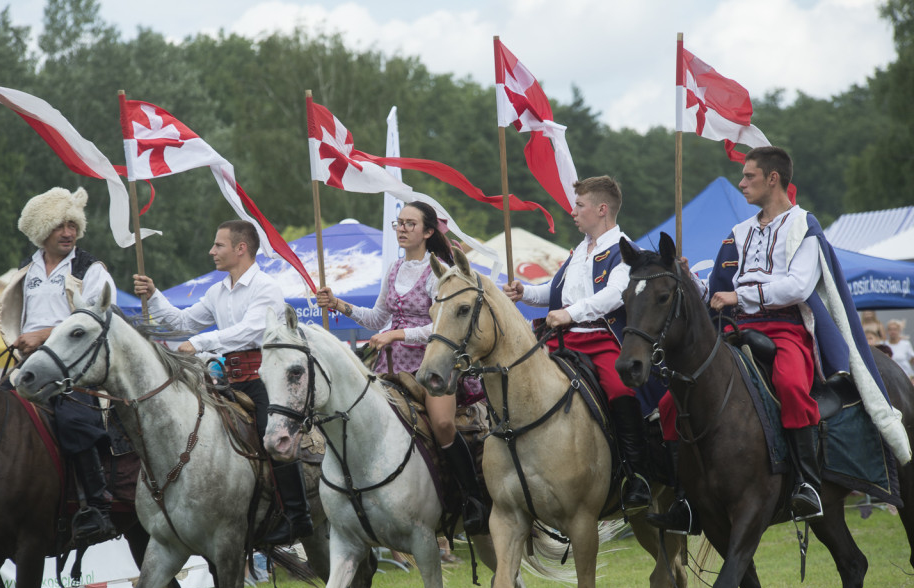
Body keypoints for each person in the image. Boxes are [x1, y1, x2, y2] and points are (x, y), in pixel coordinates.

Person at [651, 146, 906, 531]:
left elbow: (798, 286)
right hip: (736, 331)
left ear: (773, 178)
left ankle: (807, 485)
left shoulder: (804, 225)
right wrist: (690, 281)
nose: (741, 183)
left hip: (786, 329)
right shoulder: (739, 232)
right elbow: (717, 292)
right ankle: (686, 502)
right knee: (673, 402)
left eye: (749, 176)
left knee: (789, 384)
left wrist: (742, 296)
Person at [133, 219, 311, 546]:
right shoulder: (217, 291)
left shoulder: (266, 288)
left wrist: (202, 343)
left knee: (274, 439)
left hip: (264, 380)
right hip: (228, 380)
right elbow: (184, 322)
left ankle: (299, 516)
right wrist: (154, 295)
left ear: (240, 248)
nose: (211, 251)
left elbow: (253, 330)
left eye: (219, 245)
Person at [315, 201, 489, 535]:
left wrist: (398, 333)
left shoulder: (441, 271)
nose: (402, 228)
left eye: (410, 223)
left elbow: (440, 324)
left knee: (441, 424)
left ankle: (472, 499)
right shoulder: (393, 269)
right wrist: (338, 303)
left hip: (433, 364)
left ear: (427, 232)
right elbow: (376, 319)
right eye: (399, 223)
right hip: (392, 368)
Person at [0, 187, 118, 545]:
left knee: (75, 421)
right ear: (40, 230)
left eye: (72, 225)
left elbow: (98, 317)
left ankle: (98, 507)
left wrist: (44, 336)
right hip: (26, 367)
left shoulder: (90, 269)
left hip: (72, 369)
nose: (68, 232)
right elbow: (12, 320)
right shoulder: (25, 270)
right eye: (60, 225)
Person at [502, 176, 651, 513]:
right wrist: (526, 292)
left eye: (579, 205)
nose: (573, 211)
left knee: (620, 389)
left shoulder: (625, 250)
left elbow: (613, 296)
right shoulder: (580, 250)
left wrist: (570, 313)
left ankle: (636, 475)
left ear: (601, 209)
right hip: (562, 341)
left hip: (602, 339)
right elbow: (557, 294)